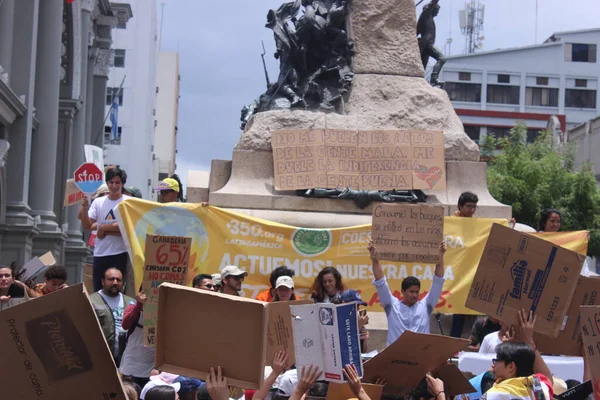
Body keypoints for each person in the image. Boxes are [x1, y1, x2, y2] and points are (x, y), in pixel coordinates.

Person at [368, 240, 447, 347]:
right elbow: (380, 281)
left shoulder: (426, 306)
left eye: (417, 292)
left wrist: (440, 255)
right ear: (403, 291)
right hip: (395, 357)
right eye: (411, 292)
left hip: (420, 358)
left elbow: (438, 280)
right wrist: (374, 258)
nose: (414, 295)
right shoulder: (392, 305)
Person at [483, 310, 554, 400]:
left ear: (511, 367)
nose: (493, 365)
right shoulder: (538, 389)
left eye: (497, 360)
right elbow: (548, 379)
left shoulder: (494, 395)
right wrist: (529, 342)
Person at [81, 166, 131, 292]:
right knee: (98, 290)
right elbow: (87, 226)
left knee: (116, 289)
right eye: (111, 182)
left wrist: (103, 228)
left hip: (119, 253)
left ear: (123, 184)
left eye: (117, 182)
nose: (114, 186)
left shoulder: (128, 202)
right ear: (107, 183)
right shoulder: (98, 202)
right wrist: (85, 210)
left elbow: (126, 226)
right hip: (100, 253)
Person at [89, 267, 135, 366]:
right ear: (103, 281)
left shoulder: (131, 302)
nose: (115, 282)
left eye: (118, 280)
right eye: (111, 279)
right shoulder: (91, 300)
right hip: (100, 358)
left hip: (125, 359)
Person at [451, 191, 479, 338]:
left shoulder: (478, 226)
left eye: (474, 207)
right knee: (458, 309)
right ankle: (453, 342)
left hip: (471, 273)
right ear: (460, 206)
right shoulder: (451, 223)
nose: (472, 210)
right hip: (455, 273)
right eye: (469, 206)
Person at [120, 287, 156, 389]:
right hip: (131, 366)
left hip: (151, 369)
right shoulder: (133, 308)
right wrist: (139, 305)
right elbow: (125, 324)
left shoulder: (164, 312)